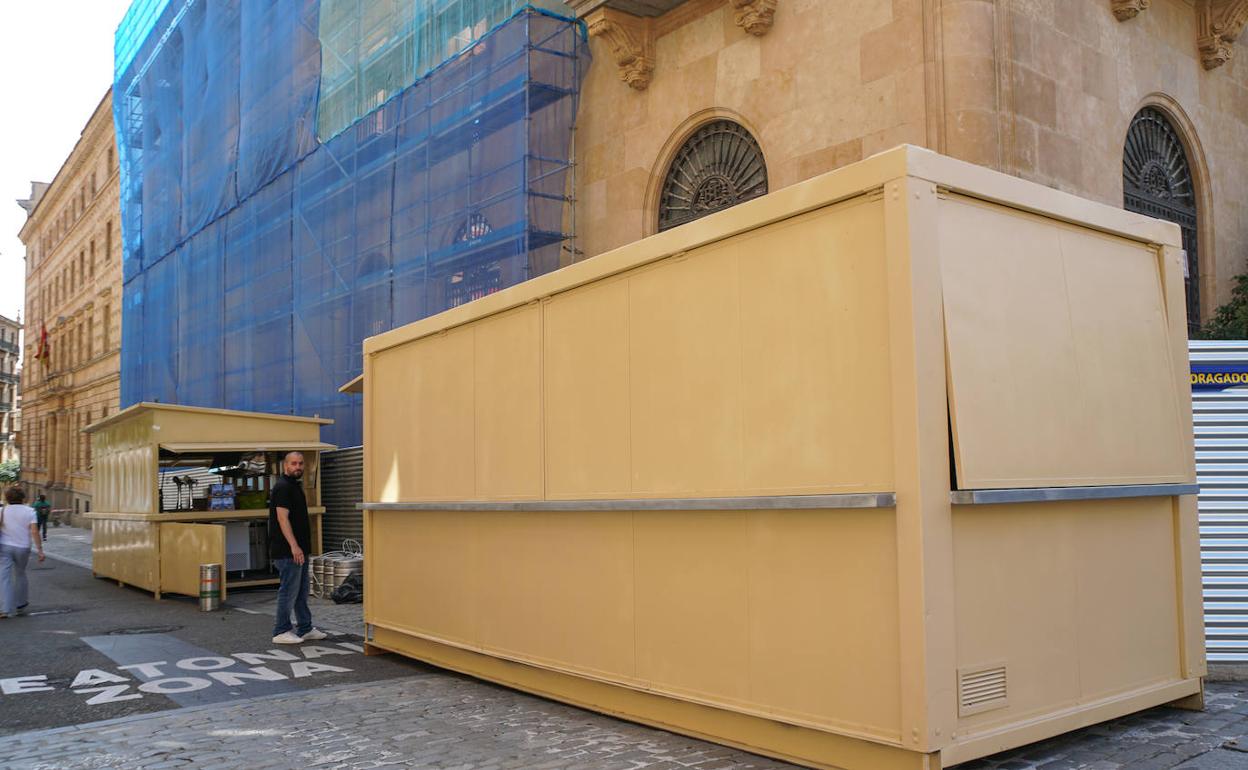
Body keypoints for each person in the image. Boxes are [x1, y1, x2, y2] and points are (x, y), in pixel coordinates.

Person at [269, 451, 327, 644]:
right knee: (288, 591)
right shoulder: (283, 487)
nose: (298, 467)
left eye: (301, 464)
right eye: (294, 463)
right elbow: (282, 518)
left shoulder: (294, 486)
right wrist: (294, 546)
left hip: (298, 549)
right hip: (288, 551)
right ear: (286, 466)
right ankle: (281, 630)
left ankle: (305, 627)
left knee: (301, 591)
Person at [0, 487, 44, 618]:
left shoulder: (2, 510)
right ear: (22, 498)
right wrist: (40, 550)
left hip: (5, 547)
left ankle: (4, 608)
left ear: (7, 498)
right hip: (23, 547)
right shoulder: (30, 511)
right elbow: (34, 531)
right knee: (20, 573)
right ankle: (20, 603)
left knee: (4, 577)